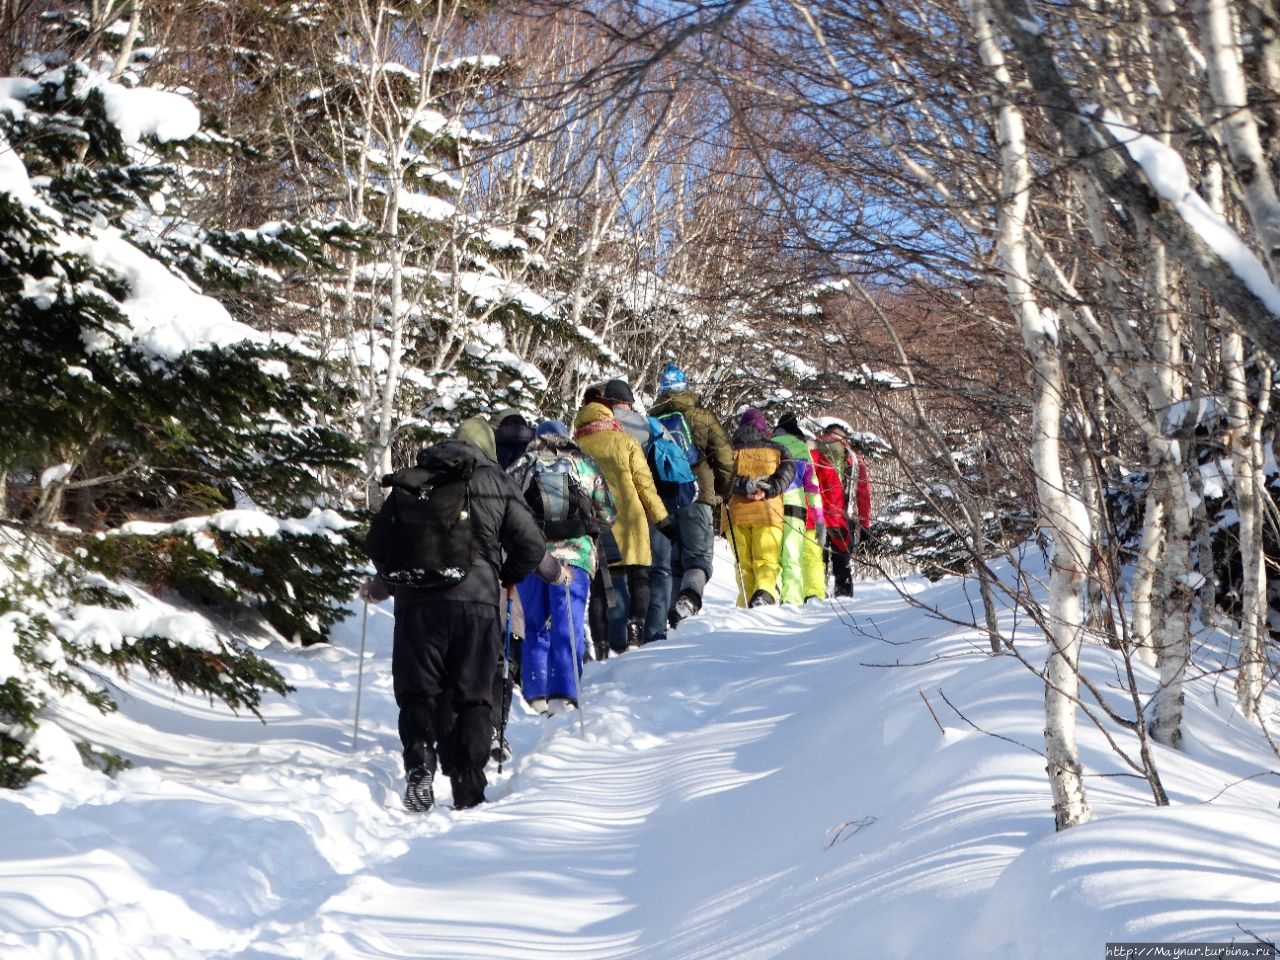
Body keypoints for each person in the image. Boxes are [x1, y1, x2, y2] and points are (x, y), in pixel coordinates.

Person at [361, 416, 545, 812]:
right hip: (477, 604)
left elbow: (376, 542)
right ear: (487, 449)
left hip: (416, 605)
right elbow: (531, 544)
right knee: (474, 694)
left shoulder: (416, 479)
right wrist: (503, 578)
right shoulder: (497, 483)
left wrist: (397, 579)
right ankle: (468, 785)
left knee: (418, 691)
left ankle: (419, 764)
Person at [506, 420, 617, 713]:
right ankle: (564, 694)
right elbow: (608, 514)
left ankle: (536, 696)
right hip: (575, 557)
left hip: (532, 557)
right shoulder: (584, 464)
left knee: (534, 626)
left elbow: (505, 511)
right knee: (567, 622)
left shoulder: (522, 464)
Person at [573, 400, 677, 650]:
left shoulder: (578, 447)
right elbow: (645, 485)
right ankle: (635, 626)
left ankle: (600, 644)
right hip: (631, 520)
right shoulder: (626, 441)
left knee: (599, 587)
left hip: (598, 522)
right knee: (639, 578)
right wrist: (662, 520)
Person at [648, 361, 735, 626]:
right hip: (698, 492)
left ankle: (674, 617)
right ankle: (689, 597)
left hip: (665, 497)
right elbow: (725, 457)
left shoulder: (652, 420)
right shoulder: (702, 415)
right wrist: (723, 489)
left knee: (673, 561)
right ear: (685, 387)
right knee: (698, 557)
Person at [598, 378, 663, 648]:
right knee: (640, 574)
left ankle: (613, 642)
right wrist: (661, 515)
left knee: (612, 579)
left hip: (603, 514)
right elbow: (645, 479)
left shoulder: (588, 433)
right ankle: (637, 623)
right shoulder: (641, 427)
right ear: (629, 402)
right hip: (635, 512)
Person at [724, 407, 795, 607]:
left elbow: (721, 478)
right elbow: (789, 471)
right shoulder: (777, 449)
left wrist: (743, 486)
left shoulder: (729, 451)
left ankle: (745, 605)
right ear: (764, 428)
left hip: (736, 514)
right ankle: (763, 593)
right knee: (766, 560)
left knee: (744, 566)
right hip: (768, 513)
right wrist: (769, 489)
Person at [811, 421, 873, 597]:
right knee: (842, 563)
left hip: (815, 515)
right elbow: (863, 493)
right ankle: (843, 597)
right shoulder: (852, 457)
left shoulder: (813, 452)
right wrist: (865, 525)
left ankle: (816, 597)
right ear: (844, 438)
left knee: (816, 561)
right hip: (843, 516)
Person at [771, 412, 825, 604]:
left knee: (772, 557)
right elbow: (812, 485)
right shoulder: (801, 447)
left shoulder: (769, 444)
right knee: (791, 557)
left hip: (770, 507)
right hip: (794, 507)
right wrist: (819, 517)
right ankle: (791, 601)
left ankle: (771, 598)